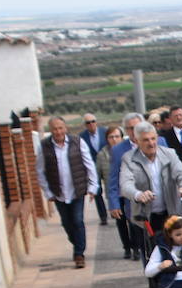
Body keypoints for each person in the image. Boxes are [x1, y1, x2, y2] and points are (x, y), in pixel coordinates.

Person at [36, 115, 98, 269]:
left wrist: (93, 186)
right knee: (66, 223)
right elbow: (40, 171)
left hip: (76, 190)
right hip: (58, 192)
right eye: (54, 129)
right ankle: (77, 242)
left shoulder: (77, 142)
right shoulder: (44, 146)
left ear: (65, 128)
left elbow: (89, 164)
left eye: (60, 128)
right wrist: (47, 191)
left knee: (77, 221)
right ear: (50, 130)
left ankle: (79, 253)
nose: (58, 131)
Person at [119, 122, 182, 235]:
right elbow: (125, 184)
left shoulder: (169, 153)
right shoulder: (128, 159)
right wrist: (138, 194)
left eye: (153, 138)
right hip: (146, 218)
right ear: (137, 141)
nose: (151, 143)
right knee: (152, 251)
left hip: (171, 213)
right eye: (146, 140)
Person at [107, 112, 148, 260]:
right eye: (130, 128)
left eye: (137, 126)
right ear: (126, 130)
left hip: (159, 201)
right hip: (134, 203)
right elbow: (113, 179)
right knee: (143, 242)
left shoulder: (158, 142)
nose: (134, 130)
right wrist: (113, 203)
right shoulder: (118, 150)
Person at [96, 125, 131, 258]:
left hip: (129, 191)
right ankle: (126, 247)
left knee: (133, 221)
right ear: (107, 139)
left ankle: (136, 247)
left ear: (122, 137)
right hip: (115, 193)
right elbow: (98, 173)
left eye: (117, 136)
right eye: (111, 137)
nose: (114, 139)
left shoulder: (128, 151)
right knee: (120, 221)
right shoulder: (102, 154)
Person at [80, 113, 110, 225]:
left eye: (93, 121)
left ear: (96, 122)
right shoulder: (82, 137)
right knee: (97, 191)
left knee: (110, 188)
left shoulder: (105, 132)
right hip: (93, 168)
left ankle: (114, 209)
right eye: (88, 122)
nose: (91, 124)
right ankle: (103, 216)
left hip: (107, 164)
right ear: (85, 125)